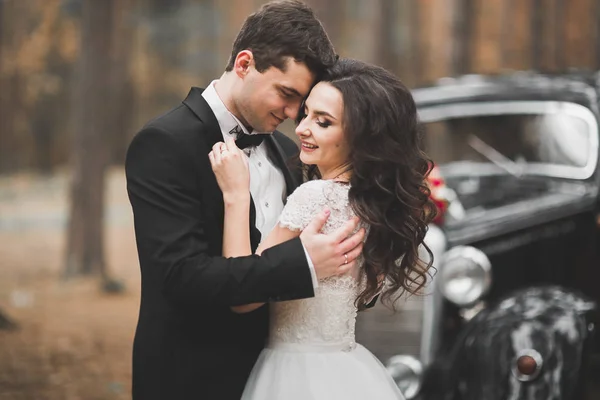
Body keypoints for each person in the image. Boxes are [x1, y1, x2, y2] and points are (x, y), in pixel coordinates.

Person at [125, 2, 365, 399]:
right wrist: (304, 262)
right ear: (244, 64)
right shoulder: (164, 143)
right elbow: (180, 277)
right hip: (192, 379)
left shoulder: (290, 151)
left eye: (301, 103)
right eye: (286, 95)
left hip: (284, 377)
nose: (292, 114)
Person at [209, 58, 437, 399]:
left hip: (294, 372)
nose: (301, 128)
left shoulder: (315, 196)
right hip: (348, 370)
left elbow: (243, 295)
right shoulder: (371, 206)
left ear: (361, 139)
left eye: (323, 122)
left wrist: (236, 195)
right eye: (307, 113)